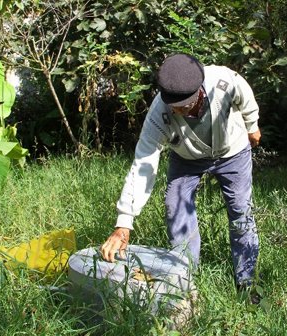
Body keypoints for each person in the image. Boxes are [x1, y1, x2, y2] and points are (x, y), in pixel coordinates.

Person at [100, 53, 261, 298]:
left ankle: (247, 283)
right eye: (174, 107)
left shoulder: (223, 80)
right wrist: (124, 221)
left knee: (240, 210)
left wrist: (252, 125)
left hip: (233, 152)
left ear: (199, 90)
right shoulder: (159, 112)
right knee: (175, 208)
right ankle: (186, 280)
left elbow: (244, 93)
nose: (178, 111)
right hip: (187, 159)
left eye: (185, 106)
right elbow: (144, 162)